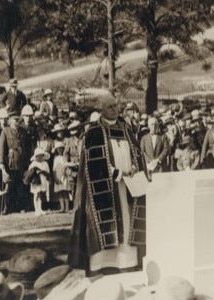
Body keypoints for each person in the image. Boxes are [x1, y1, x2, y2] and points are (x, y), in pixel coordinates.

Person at [68, 94, 150, 276]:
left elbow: (137, 152)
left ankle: (127, 261)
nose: (115, 109)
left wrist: (135, 167)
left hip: (127, 187)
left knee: (127, 224)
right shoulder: (94, 132)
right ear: (101, 110)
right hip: (107, 190)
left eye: (116, 105)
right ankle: (103, 264)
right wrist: (117, 173)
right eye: (110, 107)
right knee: (105, 227)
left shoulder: (127, 129)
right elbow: (93, 164)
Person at [0, 111, 28, 214]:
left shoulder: (23, 131)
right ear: (10, 120)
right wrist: (1, 163)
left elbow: (25, 147)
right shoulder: (5, 131)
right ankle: (6, 207)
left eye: (17, 119)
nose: (16, 121)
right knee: (8, 185)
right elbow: (1, 148)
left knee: (20, 185)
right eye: (14, 119)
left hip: (21, 161)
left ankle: (21, 207)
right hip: (10, 162)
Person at [27, 148, 50, 216]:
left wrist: (43, 173)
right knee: (36, 194)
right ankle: (36, 210)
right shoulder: (33, 164)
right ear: (36, 156)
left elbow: (47, 172)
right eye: (38, 156)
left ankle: (40, 209)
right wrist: (36, 172)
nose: (40, 157)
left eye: (41, 155)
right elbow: (30, 173)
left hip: (43, 180)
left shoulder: (45, 163)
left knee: (40, 195)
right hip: (36, 181)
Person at [52, 141, 71, 213]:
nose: (59, 150)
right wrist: (56, 178)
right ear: (56, 150)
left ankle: (67, 208)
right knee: (60, 192)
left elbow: (66, 166)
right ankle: (62, 208)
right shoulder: (55, 158)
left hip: (64, 176)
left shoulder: (65, 157)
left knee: (65, 192)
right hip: (57, 176)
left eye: (61, 149)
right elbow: (54, 169)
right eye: (58, 149)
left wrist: (64, 174)